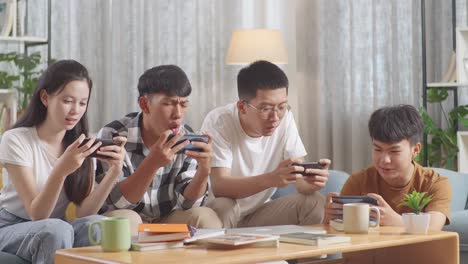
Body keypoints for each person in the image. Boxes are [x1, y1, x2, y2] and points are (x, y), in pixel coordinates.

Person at [0, 60, 128, 264]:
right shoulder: (16, 139)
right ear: (45, 98)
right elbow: (38, 214)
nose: (75, 110)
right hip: (9, 226)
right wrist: (61, 170)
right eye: (67, 101)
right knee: (56, 229)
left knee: (97, 224)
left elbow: (84, 212)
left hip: (58, 226)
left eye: (82, 103)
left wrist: (113, 173)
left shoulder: (82, 145)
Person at [201, 60, 331, 228]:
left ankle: (308, 255)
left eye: (282, 107)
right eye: (265, 109)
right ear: (242, 107)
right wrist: (271, 179)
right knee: (227, 205)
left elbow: (300, 182)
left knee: (314, 202)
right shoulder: (219, 121)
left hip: (258, 213)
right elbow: (220, 186)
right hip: (219, 212)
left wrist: (312, 182)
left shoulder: (285, 120)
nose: (275, 118)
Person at [95, 65, 222, 228]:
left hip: (166, 218)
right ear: (144, 104)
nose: (178, 114)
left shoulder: (186, 136)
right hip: (125, 216)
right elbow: (119, 203)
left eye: (183, 104)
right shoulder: (113, 134)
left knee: (205, 216)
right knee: (127, 220)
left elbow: (188, 204)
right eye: (168, 103)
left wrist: (204, 171)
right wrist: (152, 163)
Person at [324, 104, 452, 230]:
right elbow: (336, 236)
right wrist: (329, 219)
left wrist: (396, 221)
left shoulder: (435, 184)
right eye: (377, 149)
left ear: (416, 150)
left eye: (394, 151)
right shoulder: (358, 182)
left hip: (415, 251)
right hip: (368, 250)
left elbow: (433, 229)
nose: (384, 160)